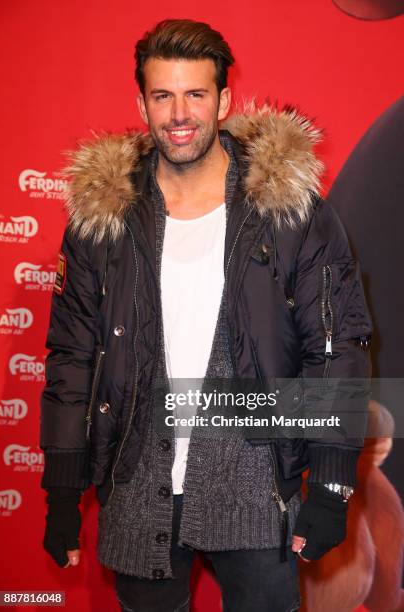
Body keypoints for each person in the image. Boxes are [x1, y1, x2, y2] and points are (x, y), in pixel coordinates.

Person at [40, 19, 373, 612]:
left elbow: (335, 345)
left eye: (195, 94)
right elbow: (71, 357)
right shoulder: (104, 217)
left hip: (253, 477)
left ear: (224, 99)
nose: (179, 114)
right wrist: (62, 490)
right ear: (140, 102)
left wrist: (330, 483)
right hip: (138, 480)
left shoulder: (288, 209)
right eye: (162, 96)